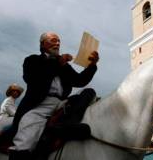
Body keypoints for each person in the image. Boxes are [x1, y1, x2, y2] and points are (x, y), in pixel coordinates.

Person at [8, 32, 99, 160]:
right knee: (25, 141)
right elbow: (34, 80)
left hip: (61, 103)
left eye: (59, 41)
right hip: (39, 105)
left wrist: (92, 66)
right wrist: (58, 64)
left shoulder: (62, 64)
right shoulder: (32, 60)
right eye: (53, 40)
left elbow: (79, 81)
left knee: (88, 92)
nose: (57, 43)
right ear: (42, 44)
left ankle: (63, 127)